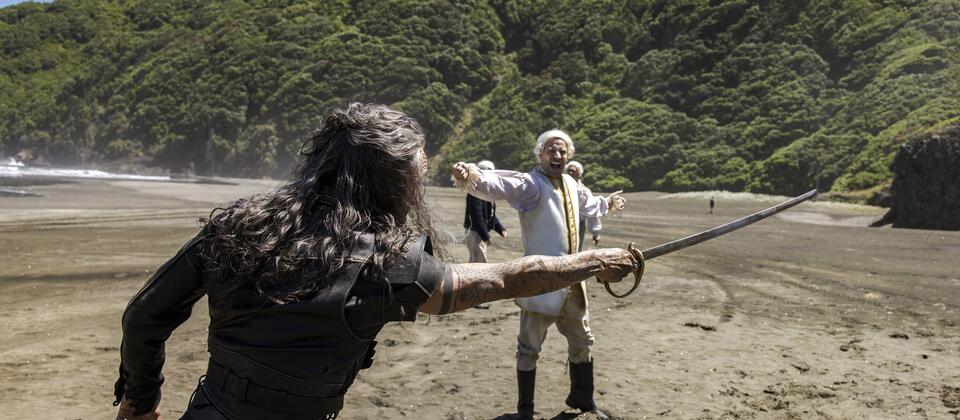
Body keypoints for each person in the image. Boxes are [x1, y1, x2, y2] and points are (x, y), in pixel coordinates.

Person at [113, 104, 639, 420]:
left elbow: (143, 317)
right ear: (394, 182)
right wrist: (593, 261)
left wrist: (139, 403)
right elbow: (506, 276)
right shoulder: (387, 264)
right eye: (419, 171)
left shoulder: (238, 226)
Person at [451, 129, 626, 419]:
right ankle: (525, 410)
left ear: (568, 154)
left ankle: (582, 399)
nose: (557, 155)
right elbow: (498, 185)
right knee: (529, 346)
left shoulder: (571, 183)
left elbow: (591, 204)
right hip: (539, 281)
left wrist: (607, 203)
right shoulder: (531, 184)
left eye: (562, 151)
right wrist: (470, 175)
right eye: (551, 150)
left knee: (582, 340)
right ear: (540, 154)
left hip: (573, 282)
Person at [463, 160, 506, 263]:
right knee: (480, 262)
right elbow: (477, 216)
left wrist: (500, 229)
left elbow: (490, 214)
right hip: (474, 232)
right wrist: (485, 236)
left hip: (479, 232)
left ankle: (471, 278)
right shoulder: (475, 191)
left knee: (475, 260)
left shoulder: (486, 191)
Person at [564, 161, 602, 249]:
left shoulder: (584, 191)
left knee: (576, 249)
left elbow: (591, 210)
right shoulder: (559, 188)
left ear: (579, 173)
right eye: (569, 171)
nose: (571, 173)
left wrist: (595, 233)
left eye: (573, 171)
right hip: (561, 225)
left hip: (578, 225)